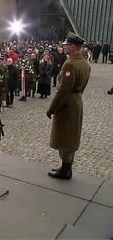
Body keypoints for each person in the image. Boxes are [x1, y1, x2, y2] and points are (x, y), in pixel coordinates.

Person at [46, 32, 91, 180]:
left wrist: (51, 109)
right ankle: (66, 167)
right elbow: (82, 86)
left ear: (73, 47)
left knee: (65, 137)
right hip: (76, 100)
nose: (64, 47)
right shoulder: (84, 62)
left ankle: (65, 170)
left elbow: (63, 91)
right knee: (71, 135)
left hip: (67, 105)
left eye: (66, 45)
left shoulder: (70, 63)